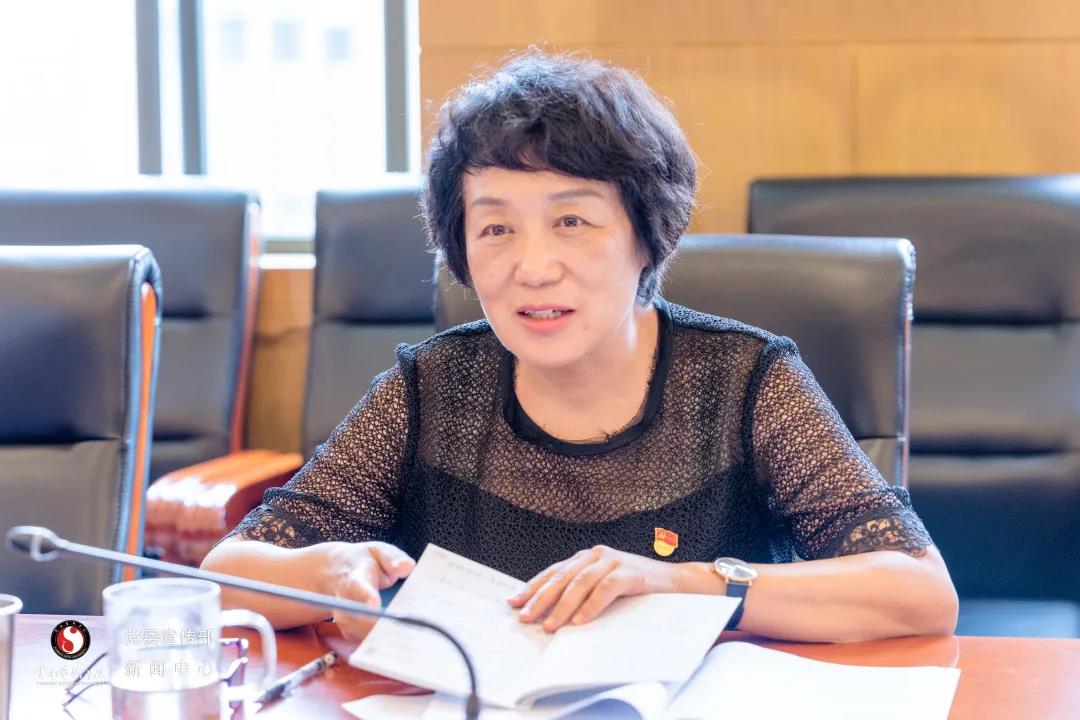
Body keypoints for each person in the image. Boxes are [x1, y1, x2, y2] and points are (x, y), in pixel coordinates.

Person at [201, 49, 958, 644]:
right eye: (496, 228)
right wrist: (329, 570)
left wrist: (685, 584)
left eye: (572, 221)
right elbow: (224, 576)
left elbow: (919, 591)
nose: (533, 267)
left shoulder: (744, 380)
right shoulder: (431, 388)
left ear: (645, 236)